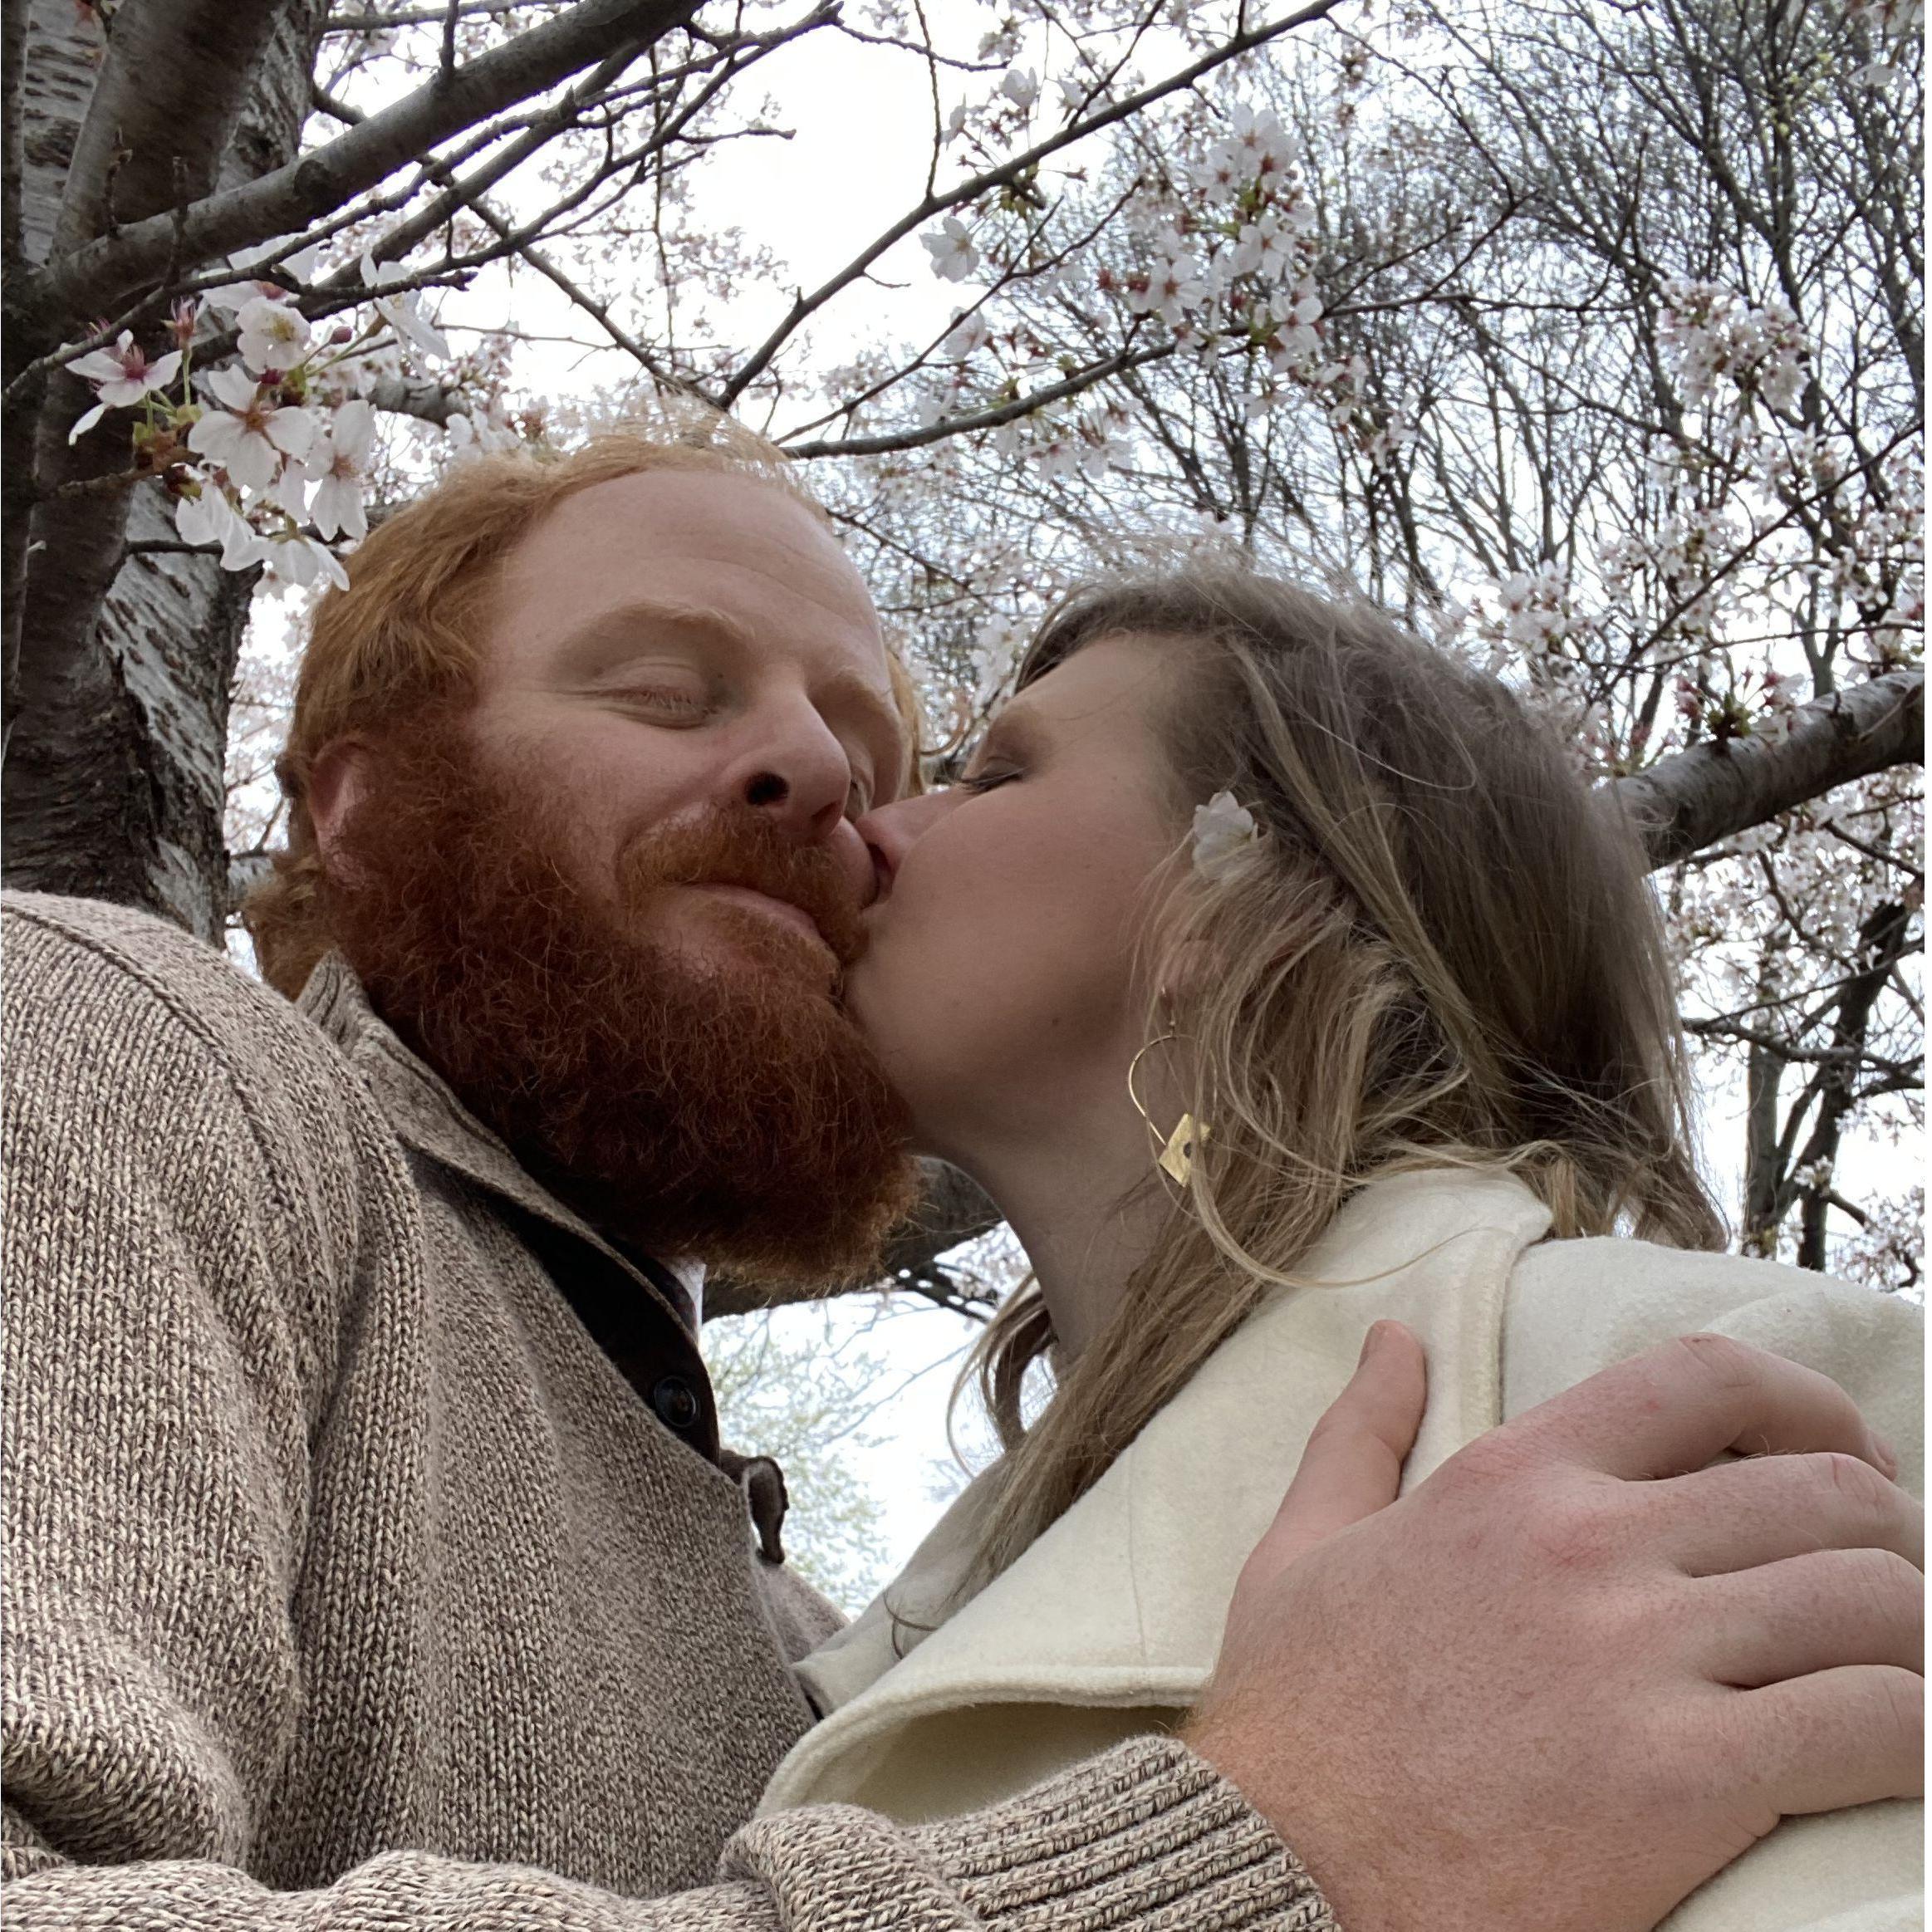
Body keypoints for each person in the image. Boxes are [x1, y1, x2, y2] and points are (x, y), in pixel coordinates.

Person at [0, 425, 1913, 1932]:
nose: (819, 790)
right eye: (666, 694)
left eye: (882, 748)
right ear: (361, 797)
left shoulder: (800, 1630)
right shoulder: (131, 1050)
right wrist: (1252, 1858)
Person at [762, 565, 1926, 1932]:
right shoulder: (866, 1641)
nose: (875, 828)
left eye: (994, 772)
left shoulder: (1678, 1394)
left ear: (1232, 891)